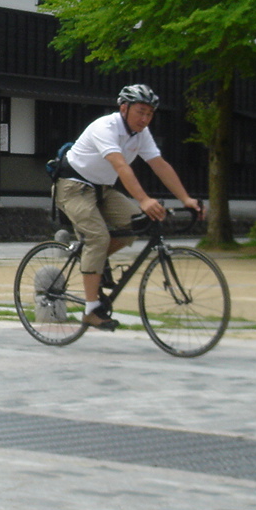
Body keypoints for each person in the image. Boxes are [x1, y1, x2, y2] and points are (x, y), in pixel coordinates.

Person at [54, 84, 204, 331]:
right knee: (98, 239)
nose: (145, 119)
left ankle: (93, 263)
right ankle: (91, 309)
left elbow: (159, 164)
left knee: (135, 224)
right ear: (124, 108)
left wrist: (186, 199)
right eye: (140, 112)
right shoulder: (105, 127)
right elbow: (121, 166)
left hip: (102, 188)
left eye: (150, 114)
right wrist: (144, 199)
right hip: (73, 186)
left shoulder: (140, 134)